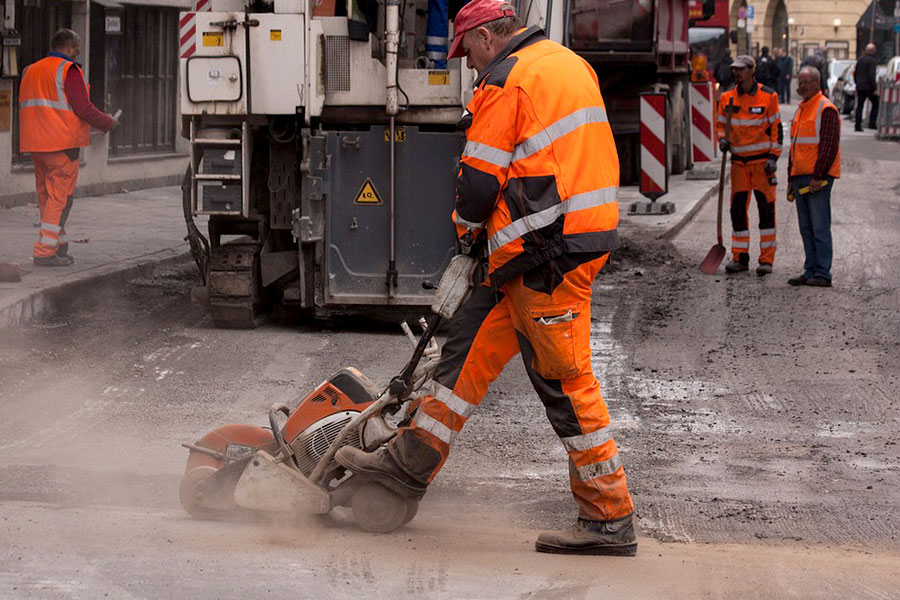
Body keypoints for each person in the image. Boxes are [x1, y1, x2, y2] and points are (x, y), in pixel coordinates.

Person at [335, 0, 636, 556]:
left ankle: (609, 517)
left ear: (486, 37)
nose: (466, 64)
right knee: (462, 357)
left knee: (564, 383)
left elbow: (478, 182)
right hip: (543, 249)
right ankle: (407, 466)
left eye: (466, 50)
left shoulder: (506, 80)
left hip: (547, 255)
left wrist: (466, 240)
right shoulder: (569, 63)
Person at [18, 29, 119, 267]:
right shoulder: (68, 70)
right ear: (71, 47)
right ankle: (44, 252)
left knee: (47, 197)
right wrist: (108, 122)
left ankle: (58, 245)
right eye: (77, 49)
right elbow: (83, 108)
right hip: (62, 145)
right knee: (60, 199)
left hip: (36, 144)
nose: (77, 54)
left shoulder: (30, 70)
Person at [716, 55, 783, 276]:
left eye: (741, 69)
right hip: (739, 165)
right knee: (737, 211)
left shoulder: (768, 96)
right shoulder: (727, 98)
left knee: (766, 211)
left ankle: (766, 261)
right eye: (734, 69)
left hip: (762, 164)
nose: (736, 73)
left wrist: (774, 157)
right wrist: (721, 140)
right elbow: (720, 125)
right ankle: (740, 258)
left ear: (752, 71)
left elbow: (777, 129)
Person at [786, 66, 840, 287]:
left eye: (806, 82)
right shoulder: (802, 109)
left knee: (819, 227)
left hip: (817, 178)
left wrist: (818, 176)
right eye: (800, 82)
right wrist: (790, 178)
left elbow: (828, 146)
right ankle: (810, 270)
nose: (801, 86)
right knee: (806, 228)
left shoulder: (825, 108)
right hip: (800, 177)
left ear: (817, 83)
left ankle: (822, 273)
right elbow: (795, 147)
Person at [853, 43, 879, 132]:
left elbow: (855, 72)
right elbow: (872, 75)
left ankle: (857, 125)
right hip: (869, 87)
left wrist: (856, 82)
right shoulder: (873, 61)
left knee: (860, 106)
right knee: (876, 103)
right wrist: (875, 87)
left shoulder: (860, 59)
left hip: (860, 86)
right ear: (872, 51)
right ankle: (872, 123)